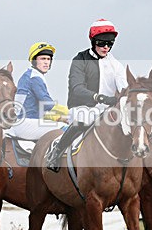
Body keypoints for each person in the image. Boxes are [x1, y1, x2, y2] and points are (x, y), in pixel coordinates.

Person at [45, 19, 128, 171]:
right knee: (84, 119)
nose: (106, 47)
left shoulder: (115, 64)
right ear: (93, 41)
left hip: (107, 110)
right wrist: (99, 97)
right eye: (102, 43)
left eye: (110, 44)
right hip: (82, 107)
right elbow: (77, 88)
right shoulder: (80, 59)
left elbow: (124, 87)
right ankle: (56, 152)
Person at [6, 42, 67, 141]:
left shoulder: (30, 74)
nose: (46, 62)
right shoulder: (34, 77)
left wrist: (58, 118)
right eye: (42, 59)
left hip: (27, 122)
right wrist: (71, 113)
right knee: (66, 129)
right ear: (34, 61)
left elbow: (40, 109)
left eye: (48, 59)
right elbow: (48, 104)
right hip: (26, 124)